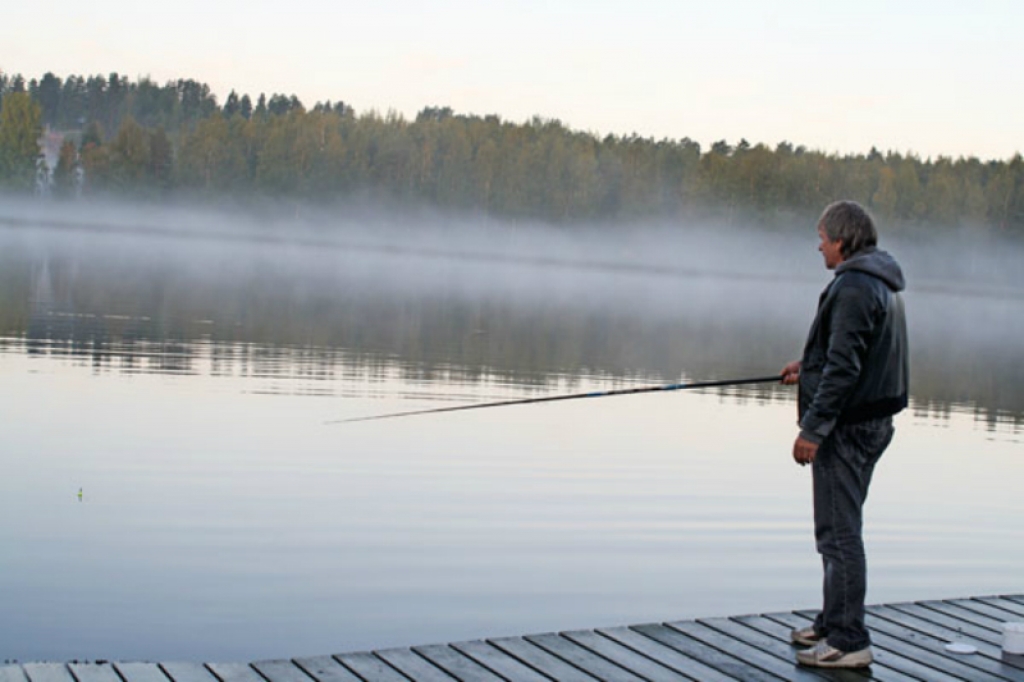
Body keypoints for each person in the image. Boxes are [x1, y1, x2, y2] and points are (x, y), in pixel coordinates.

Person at [780, 200, 909, 669]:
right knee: (835, 528)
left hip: (849, 430)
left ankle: (850, 641)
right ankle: (834, 623)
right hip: (868, 422)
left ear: (841, 240)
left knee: (838, 534)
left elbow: (845, 370)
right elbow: (850, 357)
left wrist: (812, 429)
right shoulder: (877, 280)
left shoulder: (855, 286)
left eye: (822, 237)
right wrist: (807, 365)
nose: (818, 246)